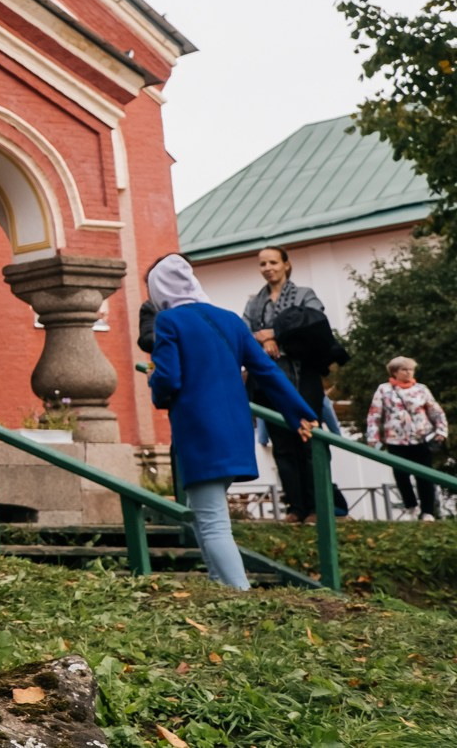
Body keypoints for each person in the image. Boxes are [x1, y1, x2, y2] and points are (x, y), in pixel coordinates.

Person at [145, 253, 317, 590]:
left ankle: (241, 595)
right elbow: (266, 371)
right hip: (235, 429)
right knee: (202, 510)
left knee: (212, 522)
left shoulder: (169, 322)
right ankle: (217, 586)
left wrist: (155, 388)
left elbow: (168, 377)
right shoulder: (232, 321)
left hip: (198, 430)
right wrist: (300, 413)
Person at [242, 245, 342, 522]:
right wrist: (263, 339)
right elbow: (245, 330)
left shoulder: (303, 294)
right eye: (263, 264)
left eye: (273, 262)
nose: (268, 268)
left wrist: (274, 334)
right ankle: (295, 506)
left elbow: (314, 323)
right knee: (282, 443)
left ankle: (318, 505)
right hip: (269, 380)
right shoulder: (255, 302)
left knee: (309, 440)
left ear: (286, 264)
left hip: (303, 375)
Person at [364, 356, 448, 520]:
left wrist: (441, 431)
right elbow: (374, 415)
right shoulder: (384, 390)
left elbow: (435, 410)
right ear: (394, 372)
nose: (408, 372)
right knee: (401, 474)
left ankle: (428, 512)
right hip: (396, 440)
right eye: (404, 369)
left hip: (421, 439)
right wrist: (373, 437)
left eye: (411, 369)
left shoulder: (421, 389)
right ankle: (411, 506)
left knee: (425, 476)